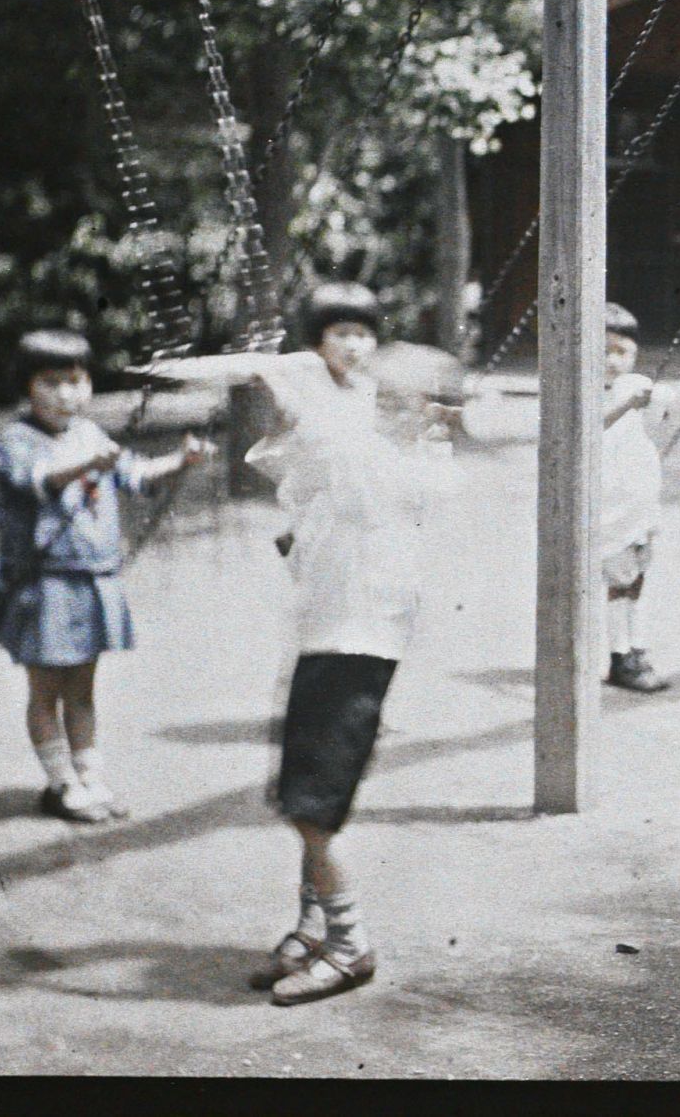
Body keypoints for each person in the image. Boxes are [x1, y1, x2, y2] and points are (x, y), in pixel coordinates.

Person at [149, 283, 462, 1006]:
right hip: (331, 634)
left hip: (356, 642)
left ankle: (349, 943)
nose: (376, 396)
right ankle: (314, 925)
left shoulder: (384, 459)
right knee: (303, 788)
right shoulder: (364, 451)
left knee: (312, 802)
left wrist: (271, 373)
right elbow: (306, 481)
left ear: (421, 412)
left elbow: (331, 439)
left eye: (398, 398)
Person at [0, 330, 211, 823]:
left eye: (76, 381)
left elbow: (133, 475)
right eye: (51, 382)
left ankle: (90, 777)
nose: (67, 394)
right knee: (46, 689)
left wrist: (181, 461)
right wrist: (87, 464)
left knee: (83, 689)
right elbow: (38, 482)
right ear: (27, 387)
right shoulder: (16, 440)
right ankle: (60, 782)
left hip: (93, 580)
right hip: (45, 584)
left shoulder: (90, 434)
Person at [599, 303, 680, 693]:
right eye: (604, 350)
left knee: (635, 580)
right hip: (608, 504)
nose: (612, 360)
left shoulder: (632, 383)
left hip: (637, 501)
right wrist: (627, 404)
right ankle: (621, 654)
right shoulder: (584, 390)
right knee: (618, 580)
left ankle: (633, 647)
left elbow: (675, 404)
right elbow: (588, 428)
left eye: (622, 352)